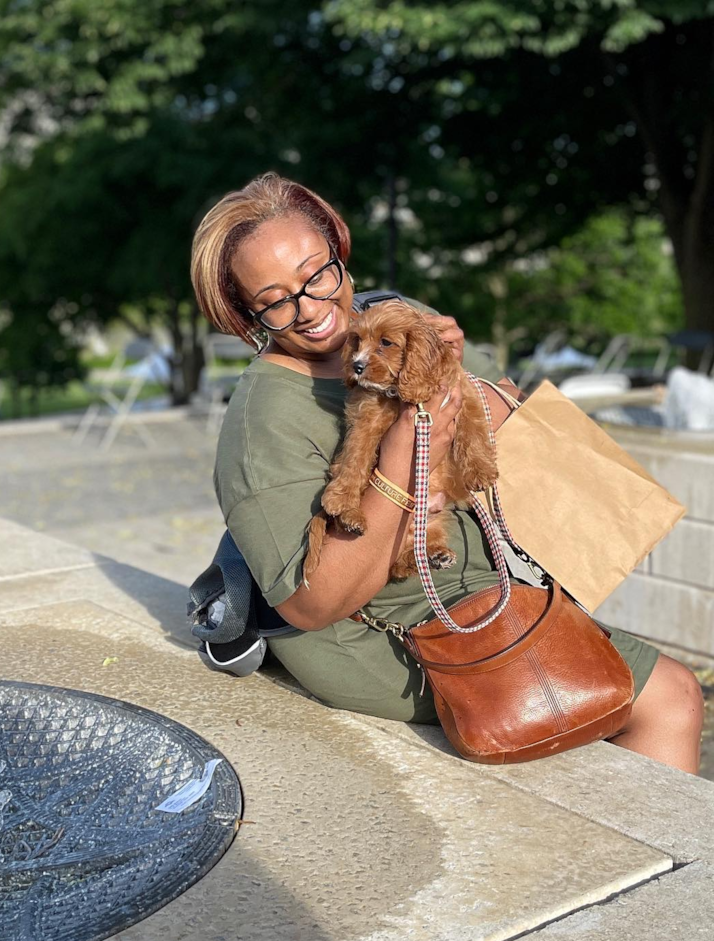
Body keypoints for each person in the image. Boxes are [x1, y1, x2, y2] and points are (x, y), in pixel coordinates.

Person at [190, 172, 703, 775]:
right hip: (385, 629)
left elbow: (513, 428)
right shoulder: (263, 419)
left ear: (337, 247)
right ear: (247, 315)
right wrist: (401, 450)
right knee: (669, 696)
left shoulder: (398, 316)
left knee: (659, 691)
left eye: (317, 273)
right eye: (275, 300)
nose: (312, 309)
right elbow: (312, 602)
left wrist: (459, 377)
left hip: (480, 583)